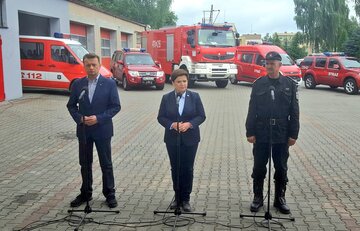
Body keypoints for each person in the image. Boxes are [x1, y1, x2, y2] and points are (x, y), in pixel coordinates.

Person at [245, 51, 300, 214]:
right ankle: (258, 197)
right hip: (261, 131)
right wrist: (250, 131)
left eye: (272, 63)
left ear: (279, 65)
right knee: (259, 167)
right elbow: (252, 109)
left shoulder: (290, 84)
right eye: (267, 63)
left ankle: (279, 198)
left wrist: (293, 134)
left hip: (281, 133)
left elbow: (295, 111)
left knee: (281, 168)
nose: (269, 66)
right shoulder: (258, 84)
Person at [67, 53, 121, 208]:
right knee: (85, 163)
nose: (91, 68)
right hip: (84, 130)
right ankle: (85, 193)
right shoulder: (78, 84)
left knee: (106, 163)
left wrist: (98, 118)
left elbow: (116, 106)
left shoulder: (109, 84)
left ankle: (109, 193)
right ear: (83, 65)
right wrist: (80, 118)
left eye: (94, 65)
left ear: (99, 66)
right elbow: (71, 106)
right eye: (88, 65)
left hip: (102, 129)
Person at [157, 69, 206, 212]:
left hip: (190, 139)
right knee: (175, 168)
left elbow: (201, 116)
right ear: (173, 83)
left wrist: (189, 124)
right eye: (179, 82)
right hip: (172, 139)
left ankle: (186, 199)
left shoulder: (195, 97)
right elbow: (161, 117)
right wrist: (172, 125)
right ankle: (177, 197)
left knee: (187, 168)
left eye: (184, 81)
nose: (182, 84)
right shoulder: (167, 98)